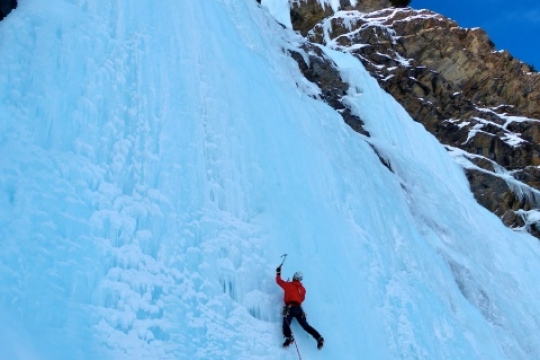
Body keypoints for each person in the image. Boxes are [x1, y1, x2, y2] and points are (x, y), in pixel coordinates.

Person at [276, 265, 324, 350]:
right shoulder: (303, 289)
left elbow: (279, 281)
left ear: (294, 277)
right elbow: (302, 299)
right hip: (299, 309)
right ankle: (319, 338)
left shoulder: (289, 285)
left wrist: (278, 272)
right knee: (306, 326)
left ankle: (288, 337)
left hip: (290, 307)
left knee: (286, 323)